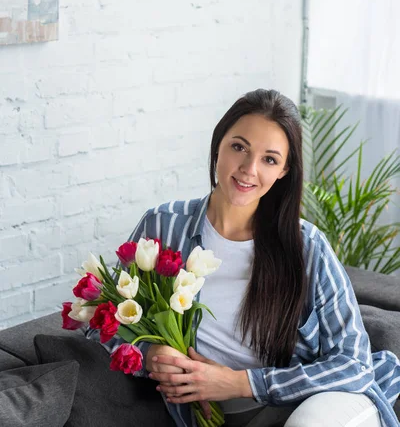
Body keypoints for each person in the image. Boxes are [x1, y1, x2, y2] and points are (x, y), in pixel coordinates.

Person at [87, 89, 400, 427]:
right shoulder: (162, 226)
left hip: (309, 404)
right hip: (208, 416)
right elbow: (101, 321)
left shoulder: (307, 246)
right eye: (239, 147)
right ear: (218, 144)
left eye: (269, 159)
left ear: (284, 170)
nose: (249, 169)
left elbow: (355, 363)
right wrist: (148, 355)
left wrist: (240, 383)